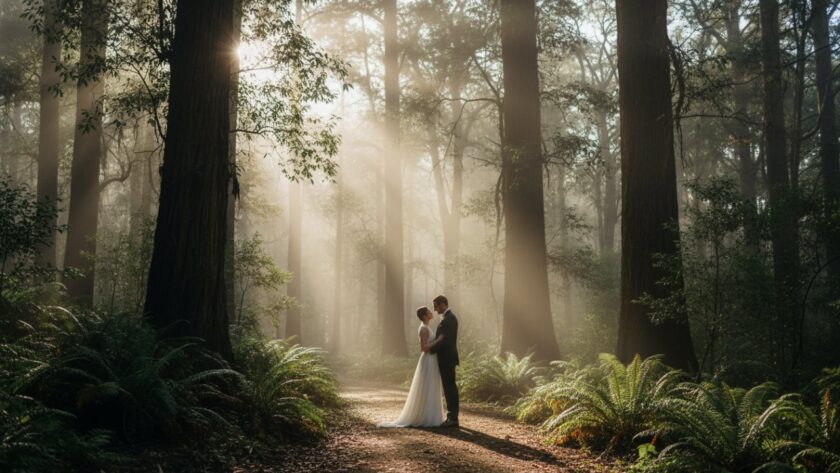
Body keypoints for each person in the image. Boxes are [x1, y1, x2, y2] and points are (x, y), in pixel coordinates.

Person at [377, 306, 446, 428]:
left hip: (432, 359)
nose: (431, 312)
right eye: (429, 312)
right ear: (424, 316)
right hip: (428, 360)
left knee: (431, 386)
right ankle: (427, 417)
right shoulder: (423, 329)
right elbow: (423, 348)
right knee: (428, 386)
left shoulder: (426, 327)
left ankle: (431, 415)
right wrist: (438, 340)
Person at [425, 295, 460, 428]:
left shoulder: (450, 318)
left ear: (442, 304)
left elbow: (446, 340)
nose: (434, 309)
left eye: (435, 306)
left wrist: (430, 349)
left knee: (449, 387)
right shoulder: (447, 318)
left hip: (447, 358)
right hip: (445, 357)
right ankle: (452, 416)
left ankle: (453, 418)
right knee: (448, 387)